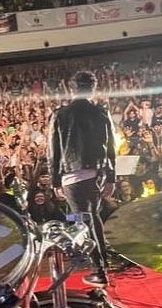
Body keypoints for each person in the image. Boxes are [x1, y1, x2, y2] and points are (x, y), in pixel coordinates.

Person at [47, 70, 116, 287]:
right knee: (92, 218)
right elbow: (111, 146)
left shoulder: (61, 114)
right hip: (96, 174)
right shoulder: (100, 112)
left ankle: (99, 270)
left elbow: (53, 150)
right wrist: (111, 177)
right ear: (93, 88)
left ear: (71, 88)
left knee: (83, 222)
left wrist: (55, 181)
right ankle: (102, 264)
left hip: (72, 176)